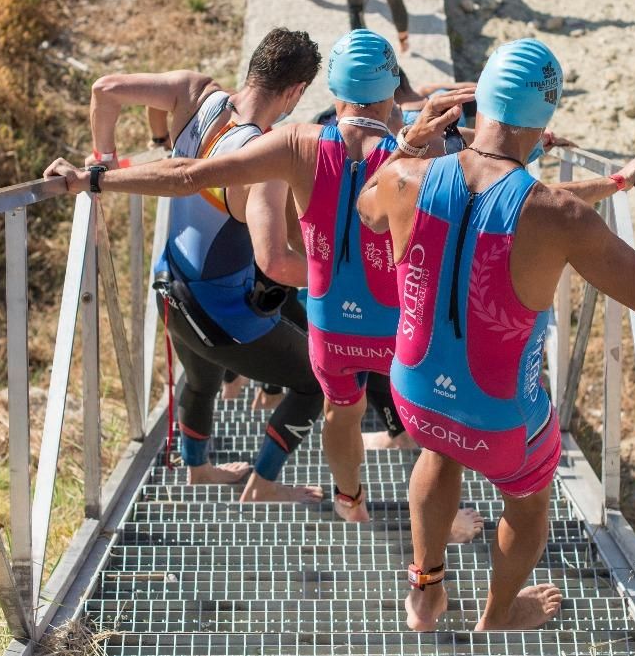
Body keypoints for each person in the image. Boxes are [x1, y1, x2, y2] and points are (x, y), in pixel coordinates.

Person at [50, 32, 488, 538]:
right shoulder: (422, 155)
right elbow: (473, 213)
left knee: (309, 402)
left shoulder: (274, 133)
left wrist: (97, 175)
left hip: (180, 290)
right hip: (378, 319)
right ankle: (432, 529)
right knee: (423, 421)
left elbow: (182, 169)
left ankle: (341, 496)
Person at [357, 38, 635, 632]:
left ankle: (425, 590)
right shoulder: (559, 216)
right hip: (501, 422)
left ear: (480, 100)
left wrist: (408, 141)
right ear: (546, 114)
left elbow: (366, 208)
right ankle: (498, 616)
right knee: (528, 506)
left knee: (439, 450)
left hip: (415, 397)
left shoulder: (407, 177)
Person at [67, 28, 328, 503]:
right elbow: (277, 260)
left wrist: (107, 156)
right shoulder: (262, 160)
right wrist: (347, 278)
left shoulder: (193, 91)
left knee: (204, 378)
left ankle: (199, 470)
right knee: (315, 381)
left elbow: (105, 90)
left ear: (254, 67)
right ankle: (263, 484)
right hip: (218, 313)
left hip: (169, 288)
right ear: (295, 92)